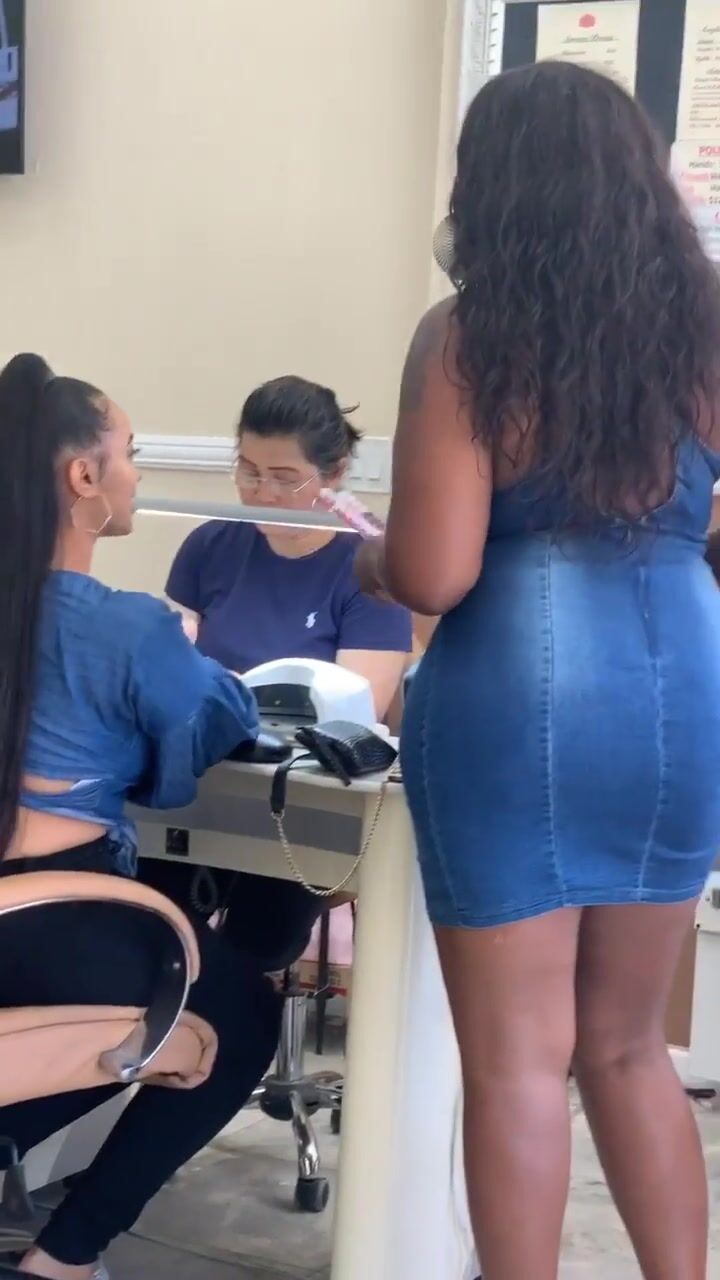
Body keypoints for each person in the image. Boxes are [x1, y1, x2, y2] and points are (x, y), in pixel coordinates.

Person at [355, 62, 720, 1280]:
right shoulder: (706, 329)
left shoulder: (470, 337)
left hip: (520, 693)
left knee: (517, 1058)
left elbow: (436, 570)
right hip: (681, 686)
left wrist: (371, 562)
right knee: (629, 1046)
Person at [0, 353, 281, 1280]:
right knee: (241, 1015)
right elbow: (200, 743)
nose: (137, 473)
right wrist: (184, 653)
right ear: (85, 477)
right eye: (130, 452)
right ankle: (65, 1259)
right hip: (50, 926)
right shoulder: (126, 626)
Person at [149, 375, 412, 971]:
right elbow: (170, 662)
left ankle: (233, 1009)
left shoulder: (367, 564)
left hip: (308, 805)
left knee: (260, 936)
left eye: (284, 478)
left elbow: (357, 715)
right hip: (207, 782)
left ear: (334, 472)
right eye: (248, 471)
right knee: (153, 900)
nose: (261, 493)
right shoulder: (211, 544)